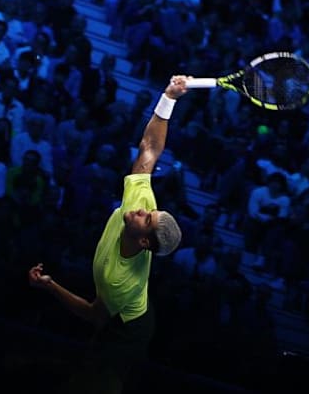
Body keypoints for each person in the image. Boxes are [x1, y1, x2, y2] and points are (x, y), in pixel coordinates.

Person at [27, 74, 189, 393]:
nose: (142, 209)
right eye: (149, 210)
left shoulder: (120, 280)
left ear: (144, 241)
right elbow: (151, 148)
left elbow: (93, 314)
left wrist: (50, 286)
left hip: (128, 329)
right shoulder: (140, 203)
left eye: (146, 218)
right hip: (125, 309)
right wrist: (169, 97)